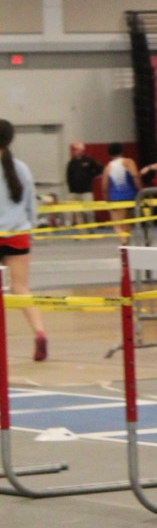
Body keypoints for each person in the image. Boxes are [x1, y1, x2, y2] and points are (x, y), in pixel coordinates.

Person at [0, 120, 48, 361]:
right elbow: (31, 206)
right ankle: (39, 331)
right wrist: (30, 227)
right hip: (18, 234)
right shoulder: (22, 168)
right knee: (20, 288)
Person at [102, 142, 140, 242]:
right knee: (127, 223)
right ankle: (126, 241)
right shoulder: (128, 162)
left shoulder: (108, 167)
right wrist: (140, 190)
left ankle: (124, 243)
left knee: (117, 225)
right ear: (122, 151)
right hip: (130, 197)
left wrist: (107, 200)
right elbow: (135, 176)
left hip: (116, 198)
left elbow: (104, 187)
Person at [65, 141, 102, 226]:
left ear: (82, 150)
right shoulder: (71, 163)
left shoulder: (88, 160)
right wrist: (71, 190)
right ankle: (82, 231)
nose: (75, 151)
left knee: (89, 212)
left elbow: (99, 168)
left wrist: (91, 175)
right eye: (74, 150)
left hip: (86, 192)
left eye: (76, 149)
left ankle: (92, 228)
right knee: (79, 214)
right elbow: (68, 177)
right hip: (75, 192)